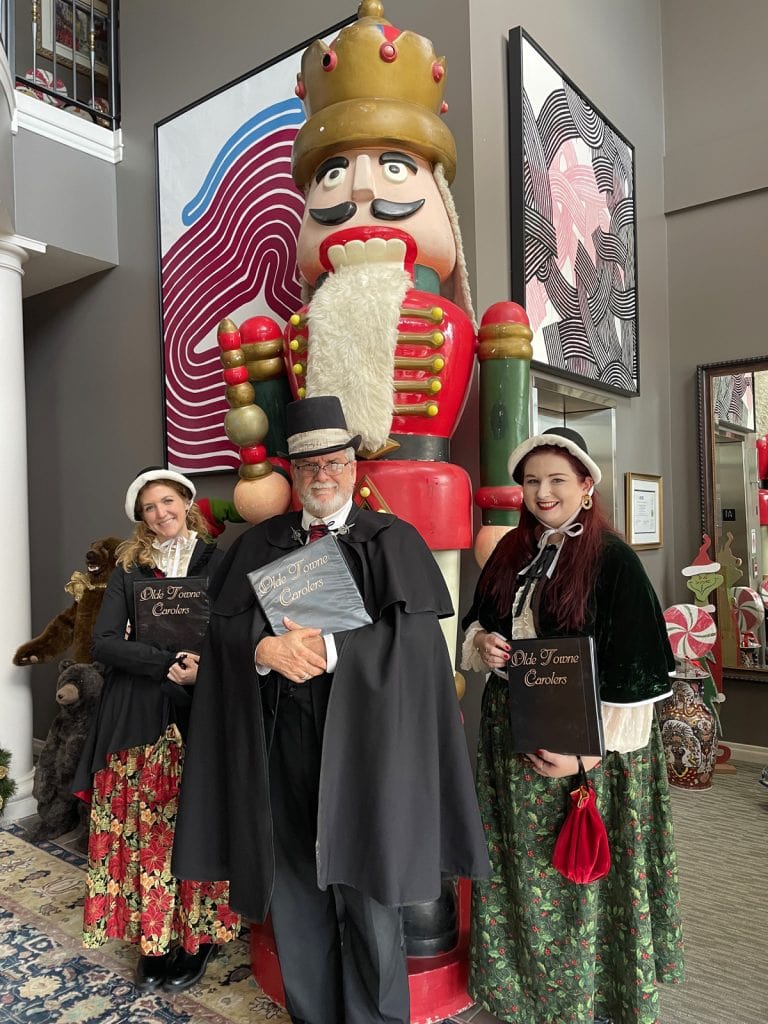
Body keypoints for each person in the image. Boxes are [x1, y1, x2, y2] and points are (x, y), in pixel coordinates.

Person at [172, 395, 489, 1024]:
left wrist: (333, 650)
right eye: (309, 463)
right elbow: (223, 633)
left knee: (369, 891)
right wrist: (264, 649)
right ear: (291, 471)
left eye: (335, 461)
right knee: (293, 886)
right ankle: (312, 1014)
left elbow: (418, 646)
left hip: (368, 744)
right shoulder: (258, 543)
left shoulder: (392, 539)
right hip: (280, 737)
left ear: (354, 467)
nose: (323, 473)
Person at [460, 427, 684, 1024]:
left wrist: (586, 756)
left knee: (575, 876)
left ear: (586, 486)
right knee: (516, 865)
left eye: (557, 480)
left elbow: (639, 682)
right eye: (532, 481)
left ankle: (585, 1000)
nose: (543, 492)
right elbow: (476, 625)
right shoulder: (510, 552)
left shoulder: (614, 561)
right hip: (512, 736)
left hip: (591, 747)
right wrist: (482, 645)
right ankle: (521, 995)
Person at [73, 468, 240, 994]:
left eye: (167, 501)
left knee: (196, 821)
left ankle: (198, 935)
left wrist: (198, 667)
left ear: (186, 502)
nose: (160, 513)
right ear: (140, 518)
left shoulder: (220, 561)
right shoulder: (130, 567)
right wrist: (165, 658)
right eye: (148, 507)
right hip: (138, 710)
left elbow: (234, 634)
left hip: (200, 708)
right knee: (148, 828)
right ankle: (156, 938)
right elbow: (102, 643)